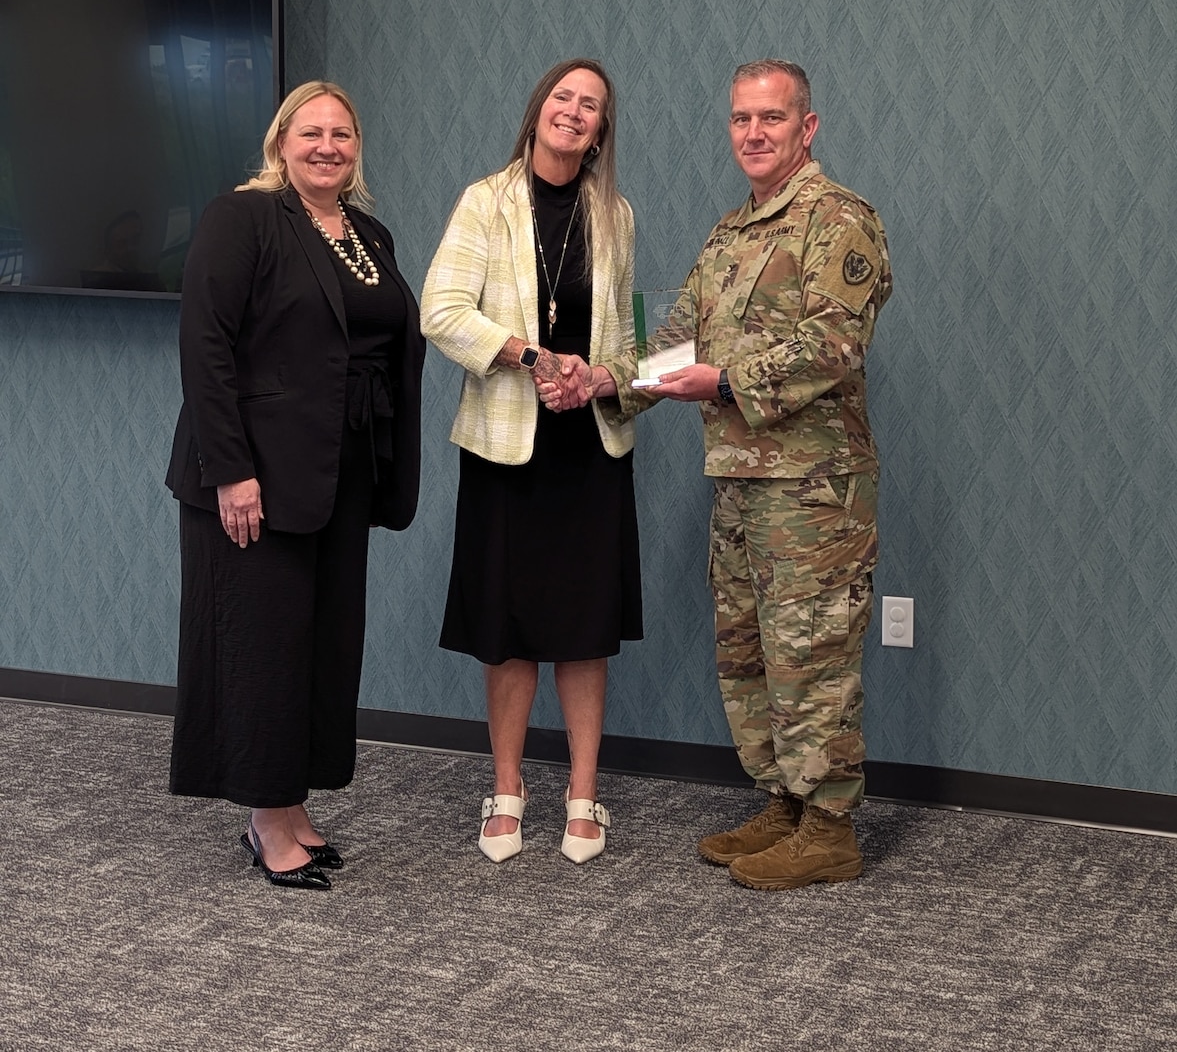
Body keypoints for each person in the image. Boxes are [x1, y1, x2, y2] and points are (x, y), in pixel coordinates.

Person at [547, 59, 892, 889]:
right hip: (739, 484)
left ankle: (831, 826)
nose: (754, 132)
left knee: (811, 655)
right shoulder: (731, 235)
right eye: (741, 118)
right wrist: (603, 380)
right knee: (750, 654)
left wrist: (727, 381)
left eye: (771, 118)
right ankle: (783, 801)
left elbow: (831, 347)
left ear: (806, 127)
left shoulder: (836, 221)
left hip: (815, 490)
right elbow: (676, 342)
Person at [165, 80, 426, 890]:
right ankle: (265, 819)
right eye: (310, 132)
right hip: (257, 479)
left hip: (342, 470)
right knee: (263, 649)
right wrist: (230, 473)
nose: (327, 146)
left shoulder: (367, 233)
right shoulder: (241, 218)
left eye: (341, 134)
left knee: (321, 646)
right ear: (282, 143)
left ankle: (295, 802)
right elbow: (204, 345)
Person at [420, 58, 641, 865]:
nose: (574, 113)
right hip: (505, 450)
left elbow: (634, 323)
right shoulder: (486, 201)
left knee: (585, 631)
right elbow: (439, 311)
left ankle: (584, 795)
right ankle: (506, 791)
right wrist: (527, 356)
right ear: (537, 110)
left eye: (591, 106)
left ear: (600, 129)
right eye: (563, 98)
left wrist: (601, 373)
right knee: (506, 629)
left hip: (590, 449)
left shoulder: (615, 214)